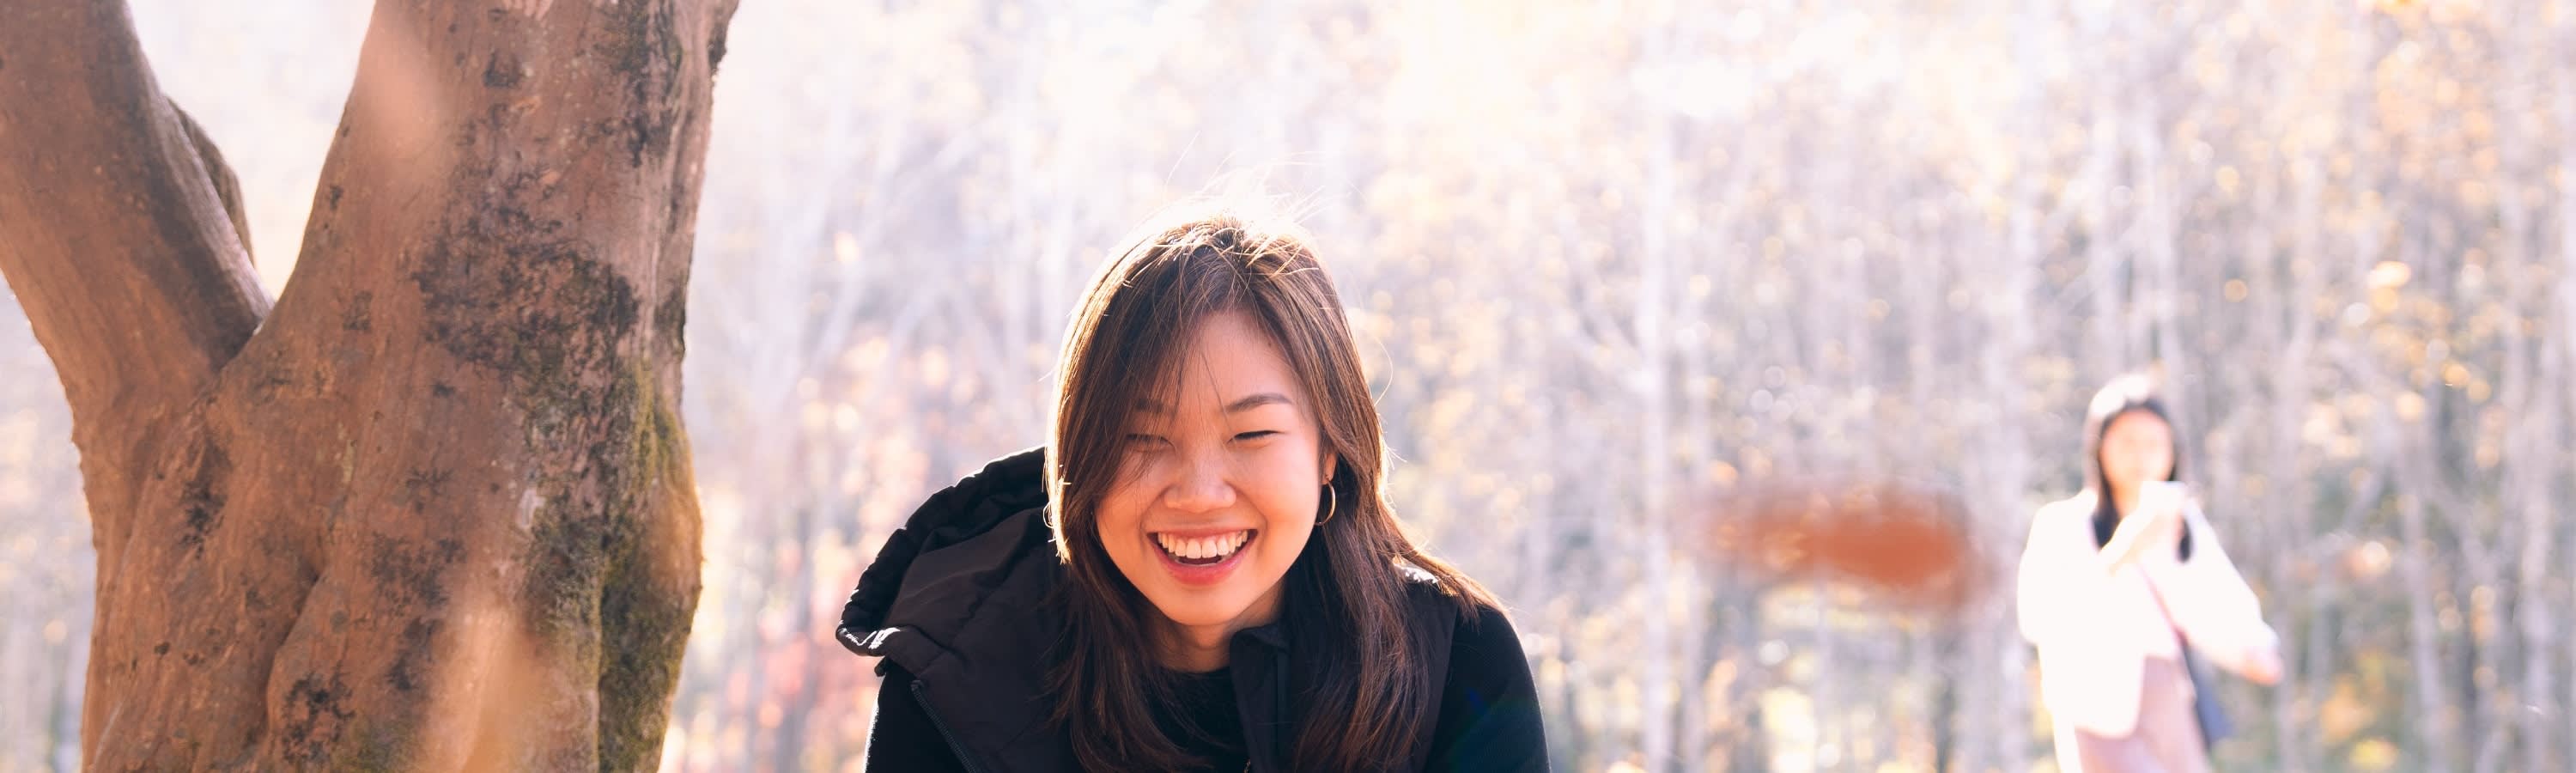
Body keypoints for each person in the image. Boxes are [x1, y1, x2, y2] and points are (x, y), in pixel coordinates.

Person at [836, 208, 1549, 772]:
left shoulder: (1452, 660)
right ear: (1079, 455)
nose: (1200, 493)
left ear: (1329, 451)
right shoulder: (959, 673)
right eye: (1143, 438)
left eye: (1251, 435)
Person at [2017, 374, 2284, 772]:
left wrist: (2252, 646)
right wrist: (2123, 551)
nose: (2140, 457)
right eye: (2127, 443)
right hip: (2097, 701)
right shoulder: (2062, 524)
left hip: (2170, 696)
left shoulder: (2182, 522)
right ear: (2099, 448)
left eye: (2154, 444)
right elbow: (2039, 617)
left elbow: (2216, 595)